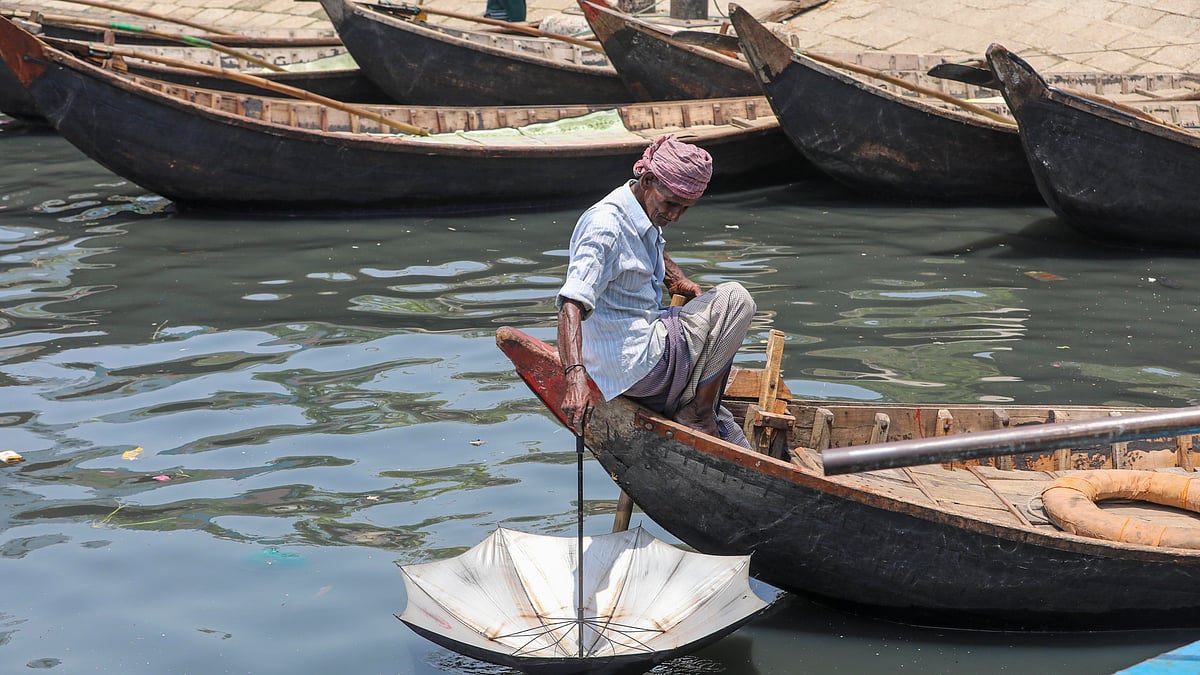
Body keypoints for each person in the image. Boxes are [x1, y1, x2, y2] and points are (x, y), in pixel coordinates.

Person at [556, 135, 756, 447]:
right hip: (637, 366)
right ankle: (698, 413)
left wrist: (674, 279)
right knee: (735, 299)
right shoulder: (604, 225)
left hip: (633, 361)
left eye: (685, 208)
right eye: (672, 204)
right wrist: (575, 378)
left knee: (732, 433)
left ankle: (706, 412)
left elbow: (643, 245)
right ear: (648, 180)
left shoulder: (636, 208)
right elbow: (571, 303)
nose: (675, 216)